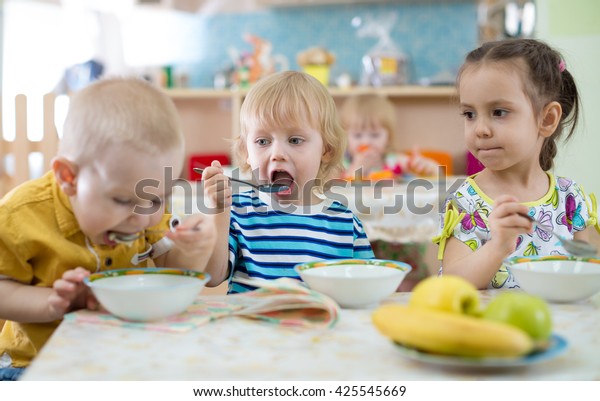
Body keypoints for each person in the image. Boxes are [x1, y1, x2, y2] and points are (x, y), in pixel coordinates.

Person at [0, 77, 216, 380]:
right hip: (34, 365)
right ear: (68, 177)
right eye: (122, 200)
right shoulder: (19, 215)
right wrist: (52, 303)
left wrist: (194, 251)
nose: (142, 219)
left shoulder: (144, 207)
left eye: (156, 200)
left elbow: (171, 272)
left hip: (124, 356)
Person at [434, 38, 599, 290]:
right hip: (488, 327)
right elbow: (453, 282)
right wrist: (499, 246)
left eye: (498, 112)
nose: (480, 129)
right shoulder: (465, 201)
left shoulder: (569, 198)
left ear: (547, 119)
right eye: (469, 114)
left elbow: (590, 266)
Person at [201, 71, 374, 293]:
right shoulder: (237, 212)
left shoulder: (346, 224)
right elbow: (212, 277)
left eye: (294, 140)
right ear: (246, 152)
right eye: (263, 141)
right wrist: (218, 211)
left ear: (326, 150)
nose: (277, 153)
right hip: (253, 326)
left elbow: (365, 290)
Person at [339, 94, 439, 180]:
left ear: (389, 137)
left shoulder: (393, 161)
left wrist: (425, 167)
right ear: (345, 138)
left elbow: (430, 174)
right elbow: (342, 193)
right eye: (357, 135)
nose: (366, 142)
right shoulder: (342, 165)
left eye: (375, 135)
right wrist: (358, 168)